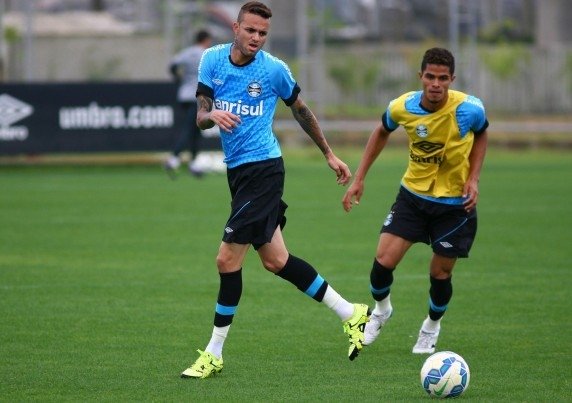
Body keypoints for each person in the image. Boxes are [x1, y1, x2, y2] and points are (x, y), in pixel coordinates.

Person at [180, 1, 370, 379]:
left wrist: (330, 154)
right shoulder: (212, 61)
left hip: (265, 171)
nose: (256, 38)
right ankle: (352, 313)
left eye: (263, 33)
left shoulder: (274, 70)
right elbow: (200, 117)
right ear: (235, 27)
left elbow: (301, 110)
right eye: (250, 30)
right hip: (239, 175)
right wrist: (210, 115)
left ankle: (214, 354)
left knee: (226, 261)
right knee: (276, 261)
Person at [342, 47, 489, 354]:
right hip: (412, 198)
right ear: (421, 76)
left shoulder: (470, 109)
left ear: (452, 79)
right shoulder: (403, 107)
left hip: (454, 206)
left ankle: (431, 326)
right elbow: (381, 131)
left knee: (440, 274)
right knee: (382, 263)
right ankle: (381, 310)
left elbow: (481, 134)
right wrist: (359, 177)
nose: (436, 84)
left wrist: (473, 178)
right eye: (431, 77)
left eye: (443, 78)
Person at [164, 29, 213, 178]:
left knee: (195, 130)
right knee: (190, 129)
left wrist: (179, 79)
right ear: (206, 40)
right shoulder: (206, 54)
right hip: (198, 97)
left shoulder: (187, 52)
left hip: (184, 94)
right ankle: (173, 159)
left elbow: (172, 65)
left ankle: (194, 164)